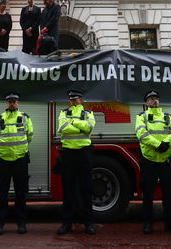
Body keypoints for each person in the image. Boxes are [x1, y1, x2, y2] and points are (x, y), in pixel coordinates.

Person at [135, 90, 171, 234]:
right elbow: (141, 134)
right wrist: (158, 145)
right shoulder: (141, 117)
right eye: (151, 99)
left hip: (165, 160)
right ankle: (148, 223)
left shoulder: (168, 117)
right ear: (146, 103)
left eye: (156, 98)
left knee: (169, 194)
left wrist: (166, 144)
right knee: (148, 194)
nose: (154, 101)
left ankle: (170, 223)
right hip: (149, 160)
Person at [0, 92, 34, 235]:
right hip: (3, 160)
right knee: (1, 194)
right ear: (6, 103)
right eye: (9, 101)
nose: (12, 103)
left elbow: (30, 135)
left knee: (20, 194)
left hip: (20, 160)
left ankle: (21, 224)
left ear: (18, 103)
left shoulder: (25, 118)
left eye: (14, 101)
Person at [57, 89, 96, 235]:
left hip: (84, 153)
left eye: (76, 98)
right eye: (72, 99)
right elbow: (63, 129)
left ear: (81, 100)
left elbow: (89, 128)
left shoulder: (88, 113)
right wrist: (80, 126)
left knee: (86, 189)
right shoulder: (63, 113)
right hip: (68, 154)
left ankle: (89, 223)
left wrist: (72, 122)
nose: (74, 101)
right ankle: (67, 223)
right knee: (68, 190)